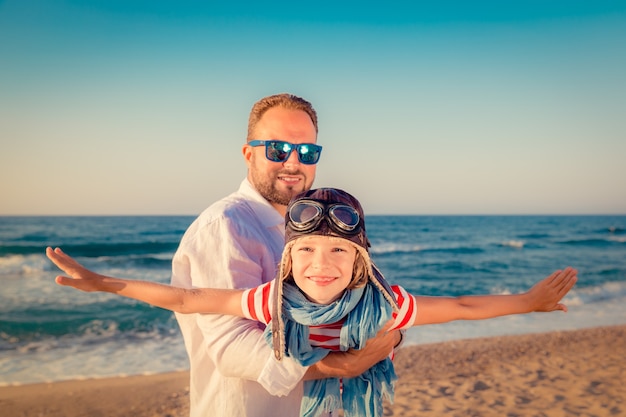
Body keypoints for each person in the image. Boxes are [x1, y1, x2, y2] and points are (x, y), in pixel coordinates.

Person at [47, 188, 578, 417]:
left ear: (359, 261)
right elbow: (189, 298)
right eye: (304, 250)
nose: (319, 264)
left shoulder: (385, 303)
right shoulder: (271, 300)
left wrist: (529, 302)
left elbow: (461, 306)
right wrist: (105, 283)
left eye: (337, 252)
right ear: (287, 257)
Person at [146, 93, 401, 417]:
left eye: (307, 151)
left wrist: (389, 334)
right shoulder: (225, 225)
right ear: (248, 154)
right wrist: (343, 365)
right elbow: (233, 348)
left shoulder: (311, 227)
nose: (293, 162)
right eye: (278, 149)